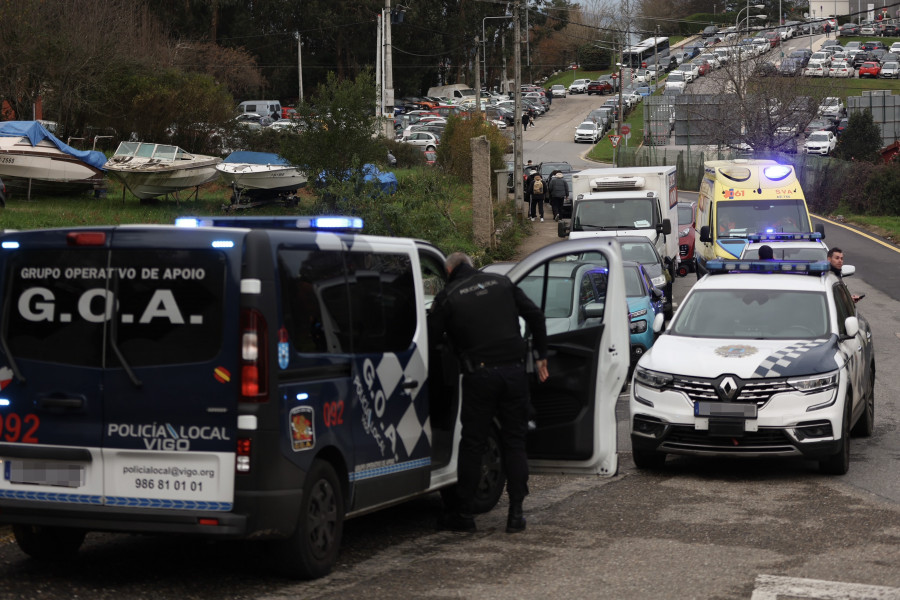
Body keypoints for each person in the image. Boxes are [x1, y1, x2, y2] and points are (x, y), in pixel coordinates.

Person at [428, 252, 549, 534]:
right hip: (514, 373)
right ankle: (516, 514)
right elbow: (535, 315)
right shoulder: (501, 283)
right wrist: (541, 355)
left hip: (479, 377)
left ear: (449, 270)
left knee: (473, 443)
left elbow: (431, 341)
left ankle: (464, 514)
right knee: (514, 441)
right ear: (471, 264)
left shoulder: (448, 296)